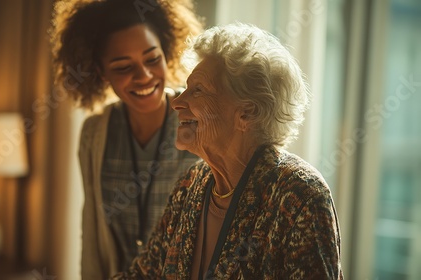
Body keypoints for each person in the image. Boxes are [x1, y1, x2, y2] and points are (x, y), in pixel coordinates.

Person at [112, 22, 343, 279]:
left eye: (197, 90)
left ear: (246, 113)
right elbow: (144, 274)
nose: (177, 102)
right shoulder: (191, 185)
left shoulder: (299, 195)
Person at [50, 0, 203, 278]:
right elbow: (93, 234)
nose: (144, 76)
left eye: (152, 59)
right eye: (122, 67)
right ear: (101, 72)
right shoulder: (94, 134)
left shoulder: (200, 121)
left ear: (167, 52)